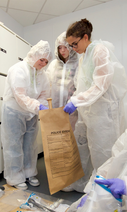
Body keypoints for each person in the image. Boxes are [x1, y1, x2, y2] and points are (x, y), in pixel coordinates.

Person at [64, 18, 127, 193]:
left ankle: (106, 196)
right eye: (71, 46)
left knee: (104, 154)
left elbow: (101, 84)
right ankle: (95, 190)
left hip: (104, 115)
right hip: (91, 113)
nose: (73, 49)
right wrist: (74, 99)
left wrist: (76, 101)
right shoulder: (84, 57)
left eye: (74, 44)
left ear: (85, 37)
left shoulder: (99, 51)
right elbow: (82, 85)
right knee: (93, 152)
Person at [1, 40, 52, 190]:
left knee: (30, 144)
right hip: (14, 111)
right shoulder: (18, 69)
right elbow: (20, 96)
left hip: (31, 113)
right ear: (34, 55)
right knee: (14, 144)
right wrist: (38, 106)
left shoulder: (42, 75)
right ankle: (15, 177)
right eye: (41, 59)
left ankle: (29, 172)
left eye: (46, 61)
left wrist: (39, 105)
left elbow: (44, 93)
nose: (43, 63)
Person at [46, 31, 78, 132]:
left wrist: (74, 102)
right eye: (60, 47)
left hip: (71, 111)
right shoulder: (53, 64)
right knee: (56, 142)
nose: (62, 50)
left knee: (70, 141)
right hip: (54, 110)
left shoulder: (77, 64)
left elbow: (80, 87)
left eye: (65, 47)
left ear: (71, 47)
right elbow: (47, 85)